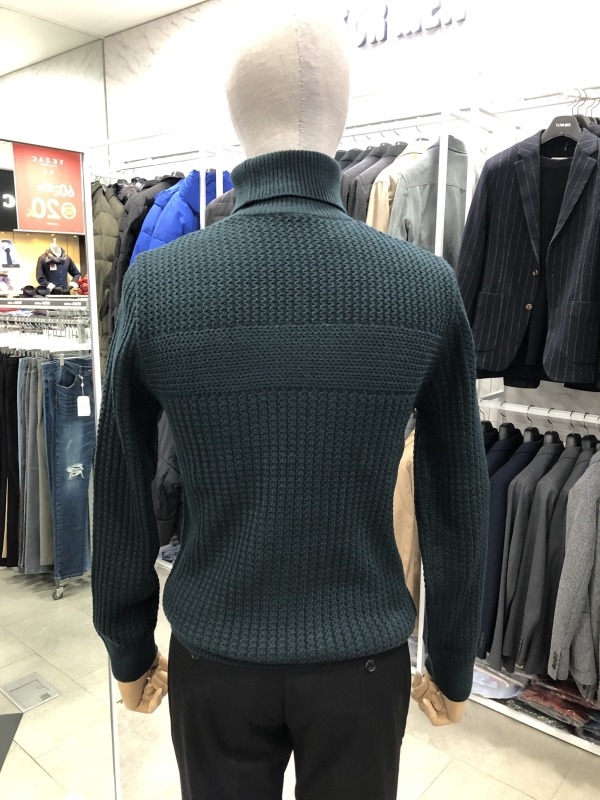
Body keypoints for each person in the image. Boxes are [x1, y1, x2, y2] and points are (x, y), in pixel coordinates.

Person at [91, 4, 488, 798]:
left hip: (214, 657)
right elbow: (457, 497)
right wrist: (450, 659)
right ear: (342, 111)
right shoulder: (423, 286)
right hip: (362, 665)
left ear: (236, 112)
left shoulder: (160, 285)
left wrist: (128, 643)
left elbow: (122, 480)